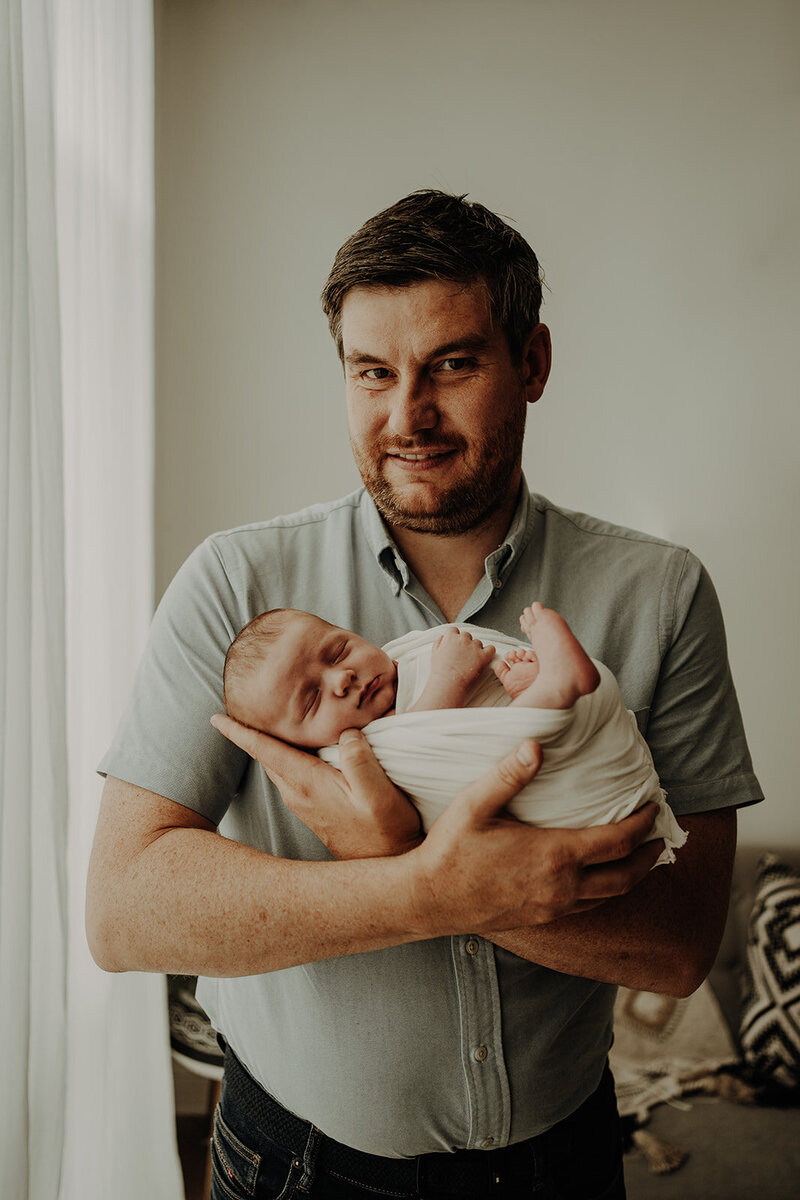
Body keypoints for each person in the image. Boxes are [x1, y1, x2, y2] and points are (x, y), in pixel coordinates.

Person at [87, 190, 762, 1199]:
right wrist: (427, 887)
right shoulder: (237, 588)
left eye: (450, 364)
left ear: (530, 363)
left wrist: (396, 849)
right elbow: (124, 914)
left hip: (563, 1162)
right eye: (371, 372)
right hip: (295, 1163)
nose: (406, 416)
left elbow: (670, 951)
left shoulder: (658, 594)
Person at [222, 603, 687, 859]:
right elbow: (420, 743)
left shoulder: (409, 656)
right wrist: (450, 678)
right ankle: (556, 690)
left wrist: (502, 680)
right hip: (548, 792)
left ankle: (540, 688)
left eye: (339, 650)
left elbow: (477, 722)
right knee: (519, 741)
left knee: (514, 716)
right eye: (311, 699)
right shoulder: (351, 755)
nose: (340, 678)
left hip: (582, 766)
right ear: (300, 747)